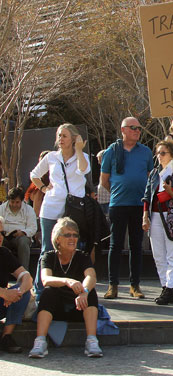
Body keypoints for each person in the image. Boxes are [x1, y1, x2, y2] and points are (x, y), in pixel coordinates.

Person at [28, 217, 103, 359]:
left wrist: (84, 292)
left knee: (91, 292)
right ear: (57, 239)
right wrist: (67, 281)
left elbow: (91, 276)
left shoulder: (82, 256)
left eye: (75, 235)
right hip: (56, 307)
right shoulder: (49, 256)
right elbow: (45, 279)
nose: (72, 238)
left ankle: (92, 341)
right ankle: (40, 342)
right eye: (67, 235)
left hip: (78, 306)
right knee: (48, 292)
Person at [30, 124, 90, 300]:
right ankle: (40, 290)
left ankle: (73, 291)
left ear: (74, 138)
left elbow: (83, 170)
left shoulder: (83, 156)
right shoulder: (51, 157)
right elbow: (34, 174)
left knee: (73, 249)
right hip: (51, 208)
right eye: (59, 136)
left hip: (73, 209)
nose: (60, 139)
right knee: (47, 249)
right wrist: (43, 187)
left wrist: (79, 149)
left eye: (64, 136)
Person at [100, 117, 154, 299]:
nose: (137, 131)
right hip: (118, 205)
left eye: (139, 128)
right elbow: (104, 180)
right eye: (133, 128)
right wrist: (118, 191)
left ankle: (135, 285)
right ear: (123, 130)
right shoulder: (111, 152)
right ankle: (113, 285)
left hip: (139, 205)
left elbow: (150, 178)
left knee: (136, 246)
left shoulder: (146, 152)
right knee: (115, 245)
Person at [142, 139, 173, 306]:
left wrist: (170, 192)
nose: (159, 156)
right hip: (155, 216)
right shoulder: (155, 173)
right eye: (158, 153)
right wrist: (145, 216)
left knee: (172, 254)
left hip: (172, 217)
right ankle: (165, 287)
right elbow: (147, 195)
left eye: (163, 153)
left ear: (172, 155)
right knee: (158, 255)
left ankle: (170, 288)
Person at [0, 217, 33, 353]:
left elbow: (27, 277)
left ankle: (6, 336)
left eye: (2, 233)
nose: (0, 237)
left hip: (3, 303)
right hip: (2, 296)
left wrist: (18, 292)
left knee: (24, 292)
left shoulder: (4, 253)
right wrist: (3, 293)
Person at [0, 187, 37, 270]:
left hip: (21, 237)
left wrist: (23, 232)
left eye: (17, 202)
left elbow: (33, 228)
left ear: (22, 201)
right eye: (12, 202)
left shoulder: (29, 210)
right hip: (4, 237)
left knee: (23, 242)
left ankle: (24, 272)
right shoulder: (1, 209)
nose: (14, 205)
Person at [96, 150, 110, 216]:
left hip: (108, 201)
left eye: (100, 160)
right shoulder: (102, 170)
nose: (99, 162)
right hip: (101, 200)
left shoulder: (110, 169)